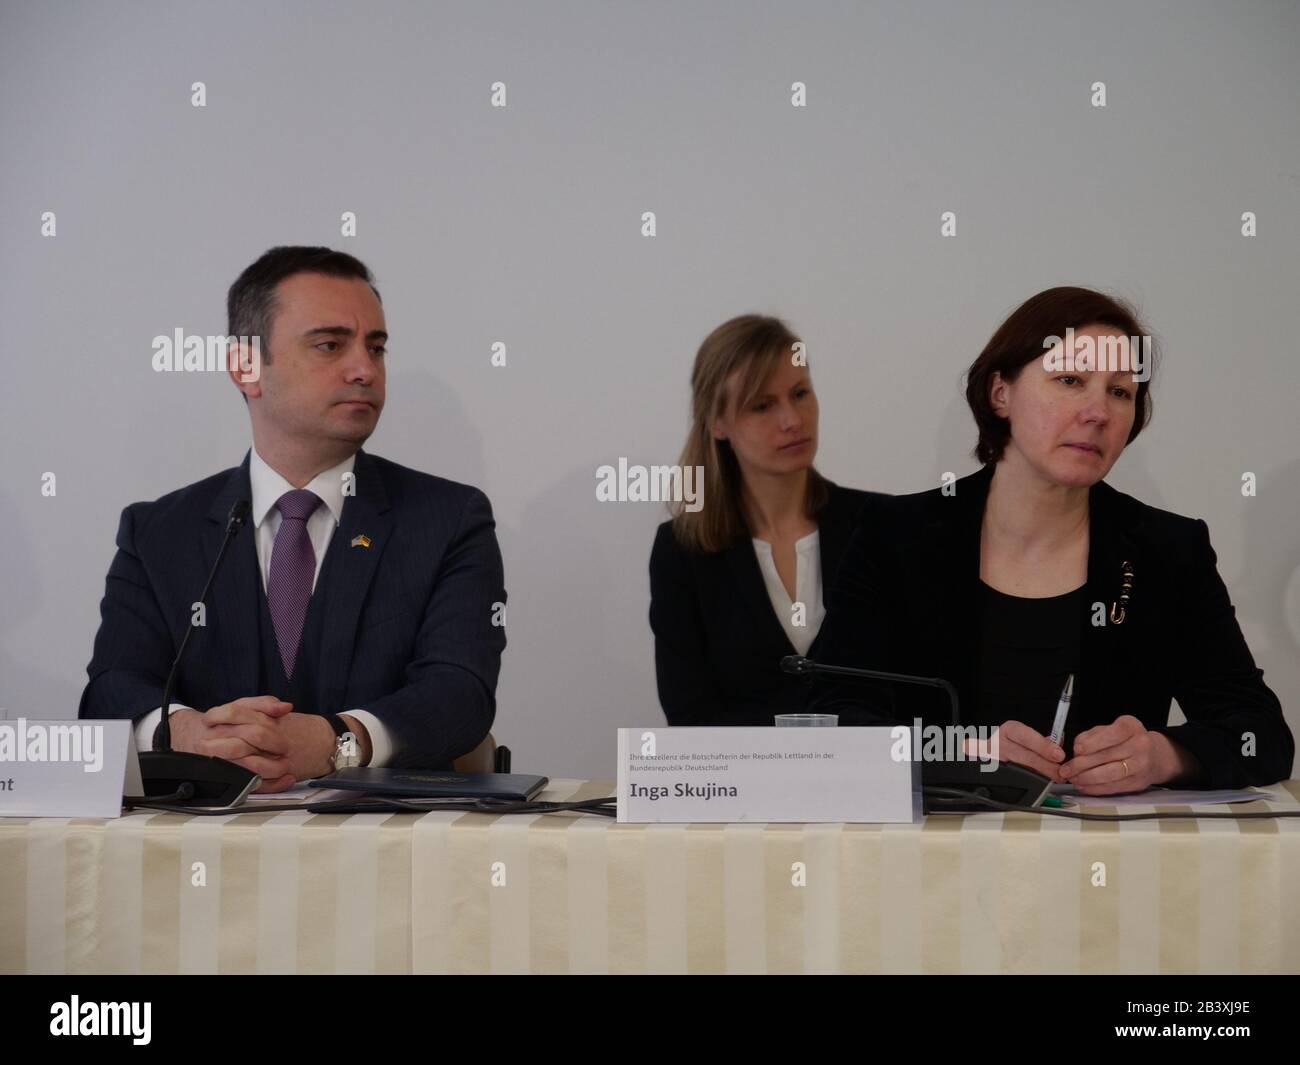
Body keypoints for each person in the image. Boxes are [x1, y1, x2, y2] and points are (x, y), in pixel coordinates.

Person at [811, 286, 1293, 792]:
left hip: (1108, 856)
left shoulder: (1168, 550)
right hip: (930, 856)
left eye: (1120, 392)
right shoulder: (897, 535)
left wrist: (1162, 754)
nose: (1098, 412)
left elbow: (1261, 736)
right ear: (1001, 393)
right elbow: (833, 723)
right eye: (1070, 380)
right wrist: (957, 751)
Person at [79, 246, 507, 790]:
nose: (364, 369)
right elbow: (111, 689)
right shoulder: (159, 532)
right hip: (201, 846)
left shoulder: (447, 519)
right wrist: (183, 733)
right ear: (247, 369)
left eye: (376, 348)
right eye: (331, 345)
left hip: (389, 848)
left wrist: (337, 742)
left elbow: (460, 694)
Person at [649, 314, 884, 725]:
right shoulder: (682, 550)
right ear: (717, 423)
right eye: (762, 405)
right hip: (738, 786)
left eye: (800, 394)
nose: (792, 420)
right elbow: (690, 716)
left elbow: (909, 690)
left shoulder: (880, 526)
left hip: (871, 782)